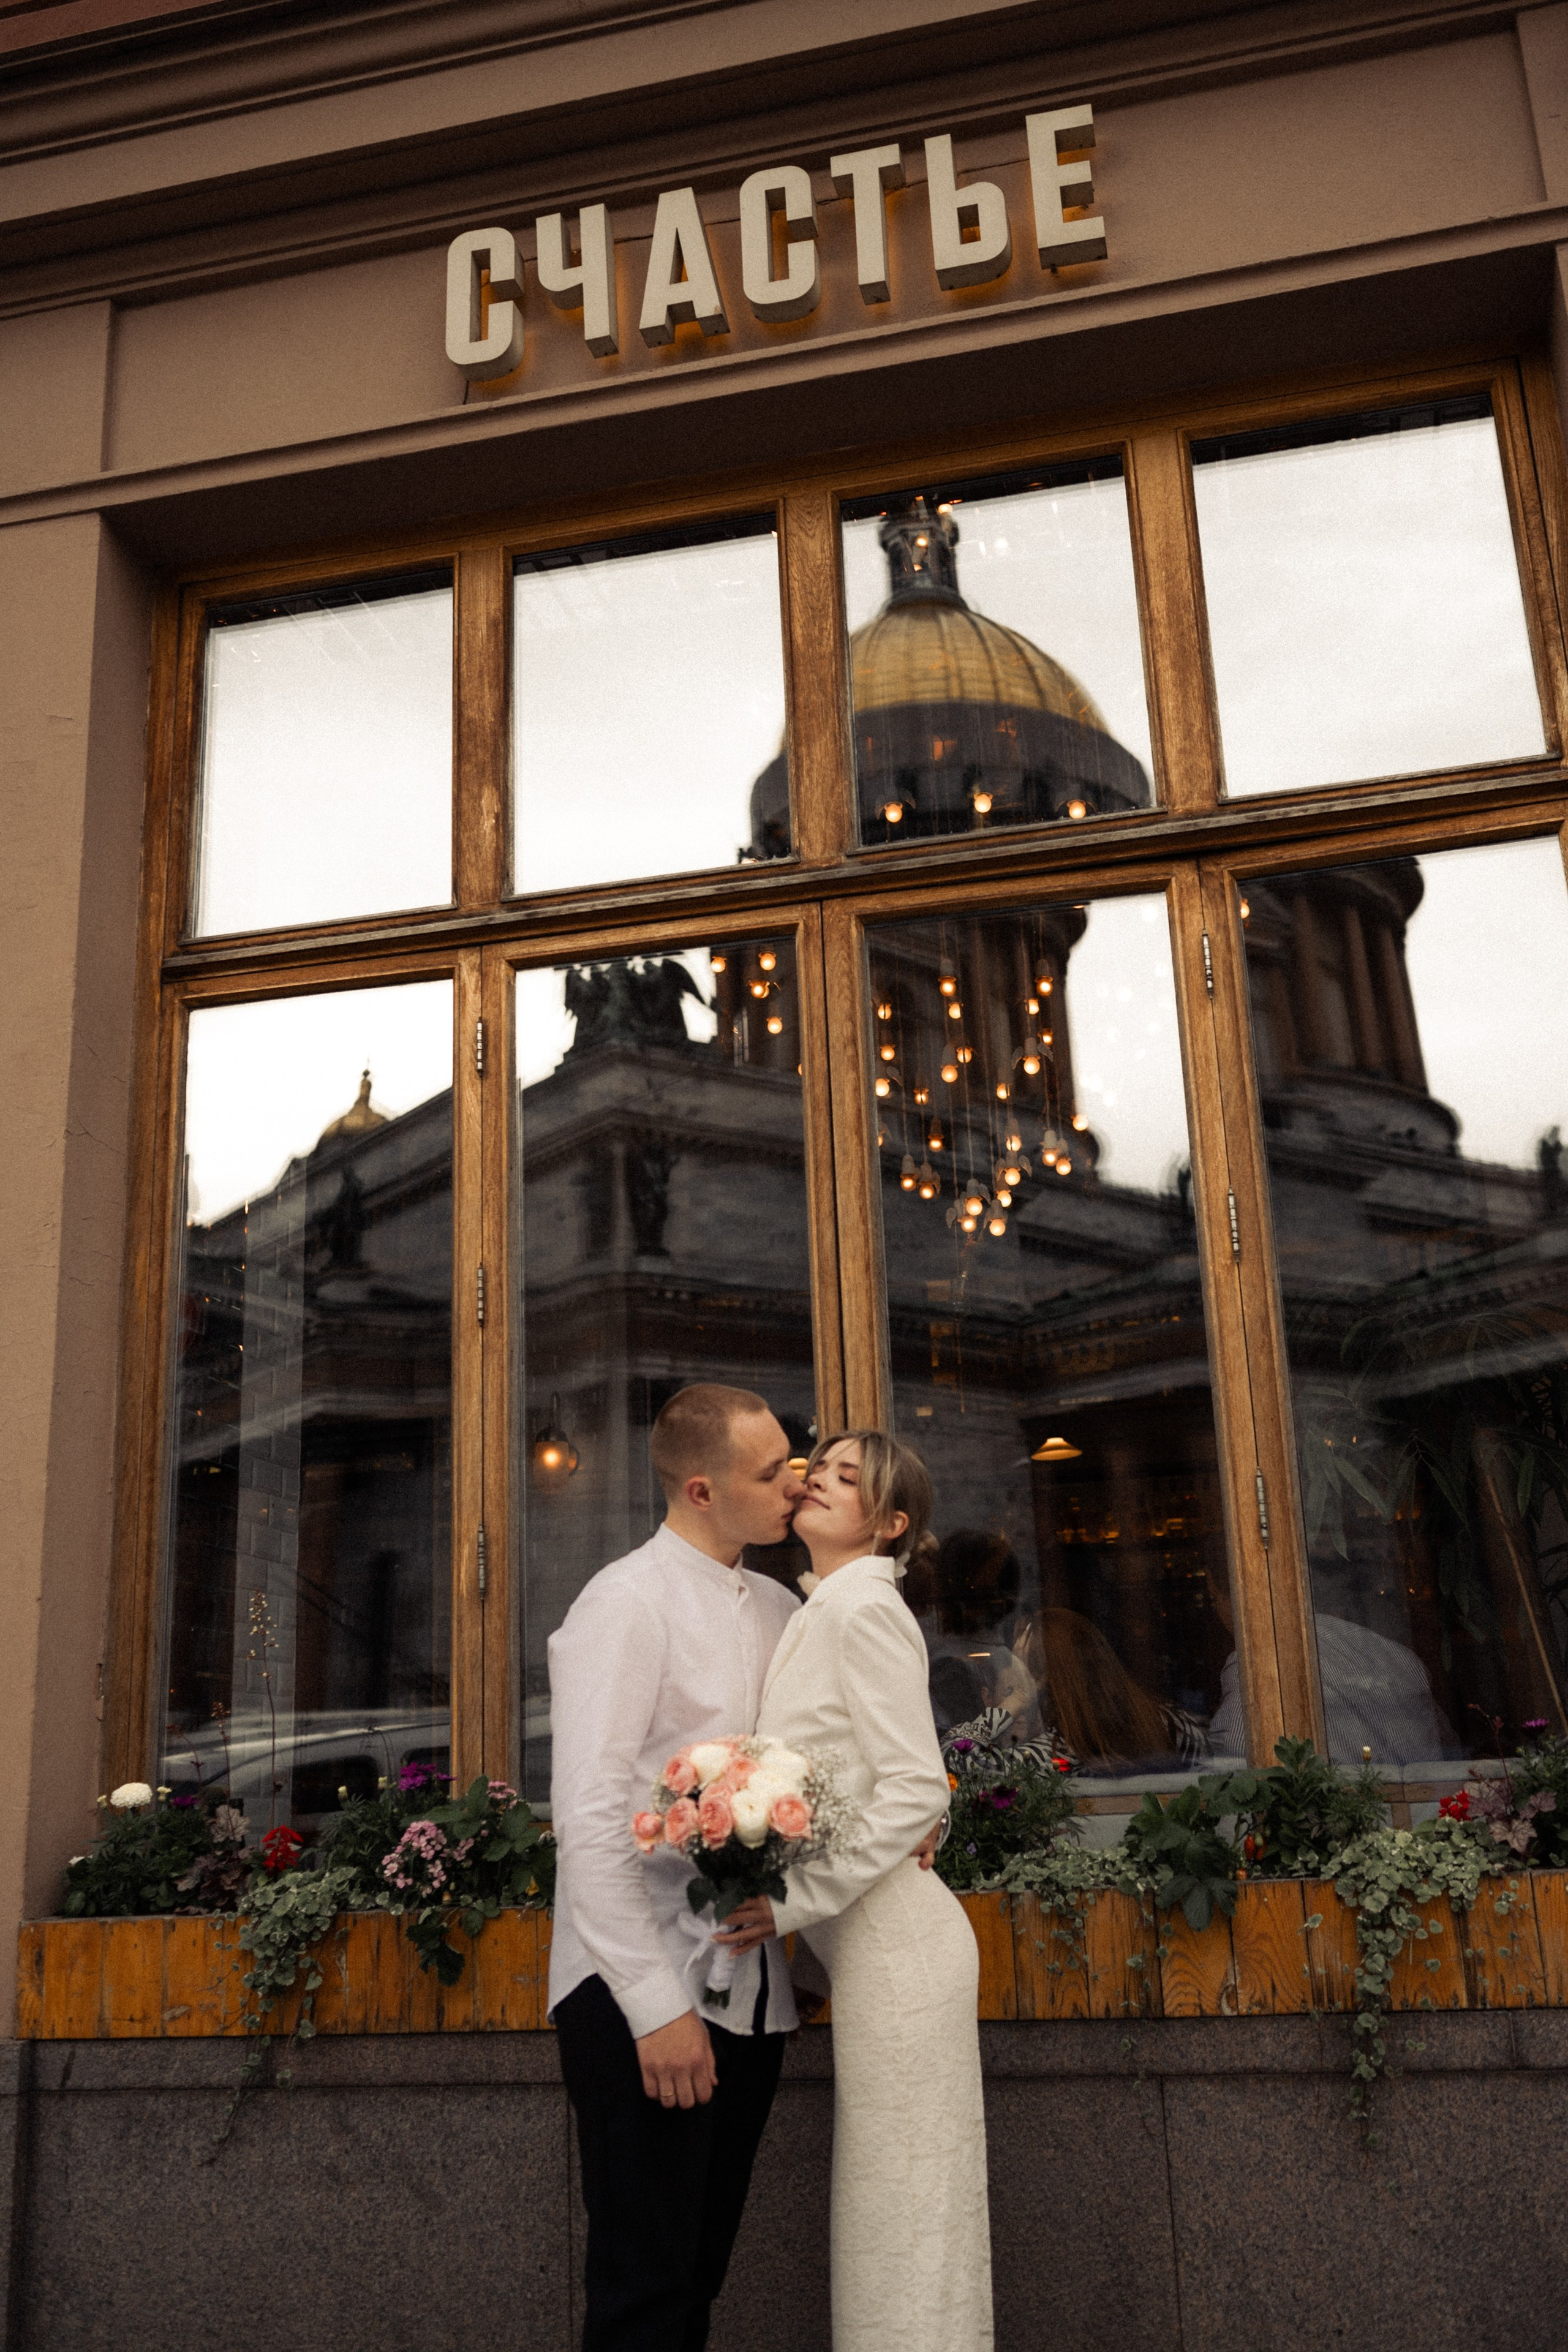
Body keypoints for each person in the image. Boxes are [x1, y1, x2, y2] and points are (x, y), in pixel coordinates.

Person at [718, 1430, 994, 2352]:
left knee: (907, 2211)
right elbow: (858, 1791)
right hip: (870, 1956)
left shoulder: (864, 1609)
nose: (820, 1483)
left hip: (903, 1958)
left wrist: (789, 1909)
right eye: (821, 1467)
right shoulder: (825, 1607)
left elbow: (916, 1788)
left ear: (891, 1523)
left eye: (849, 1477)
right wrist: (809, 1964)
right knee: (893, 2208)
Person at [546, 1383, 805, 2352]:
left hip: (753, 1991)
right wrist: (655, 2009)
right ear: (701, 1490)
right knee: (644, 2294)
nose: (795, 1485)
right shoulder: (624, 1603)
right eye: (770, 1474)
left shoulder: (780, 1604)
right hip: (639, 1992)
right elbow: (589, 1818)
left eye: (792, 1462)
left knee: (697, 2278)